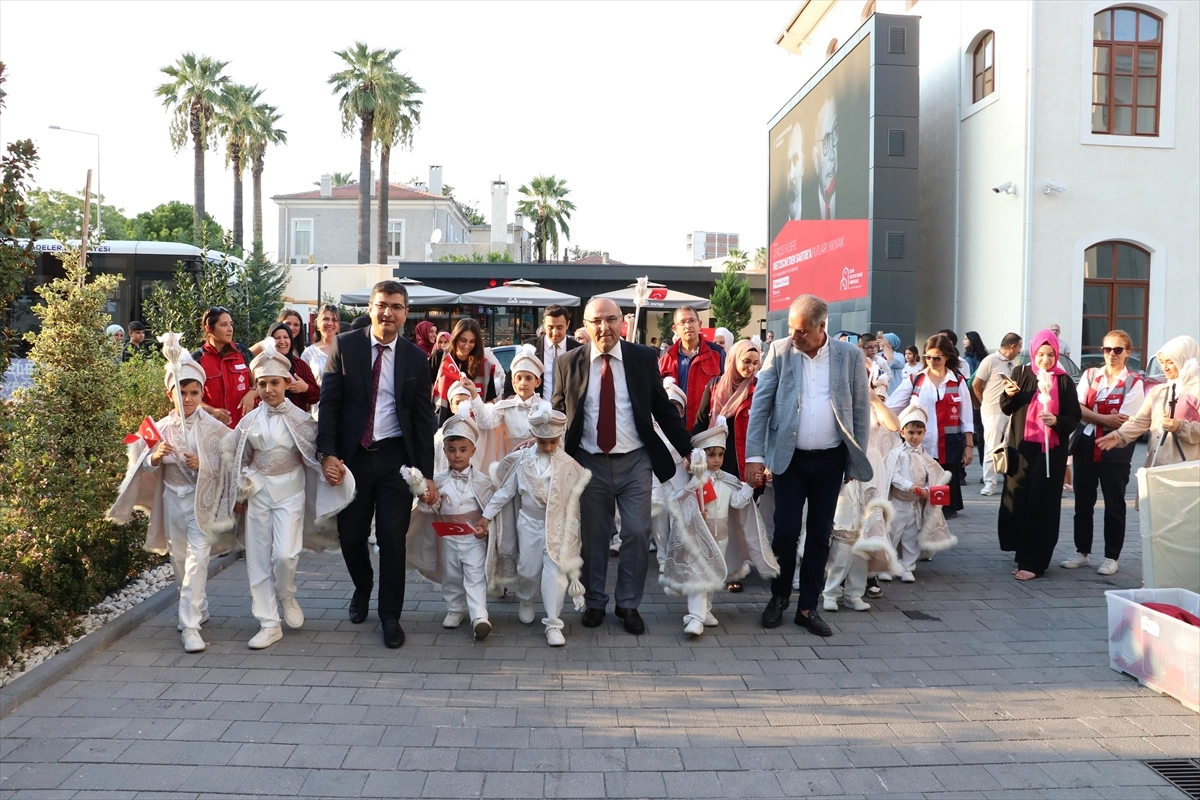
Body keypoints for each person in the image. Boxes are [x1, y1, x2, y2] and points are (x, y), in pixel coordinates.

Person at [552, 297, 693, 635]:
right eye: (596, 321)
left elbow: (661, 408)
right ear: (584, 326)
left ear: (622, 322)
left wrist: (688, 448)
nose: (604, 328)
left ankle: (628, 603)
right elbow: (558, 413)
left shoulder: (643, 358)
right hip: (588, 463)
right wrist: (542, 440)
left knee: (636, 531)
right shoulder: (568, 363)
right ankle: (595, 602)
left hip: (636, 462)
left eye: (611, 319)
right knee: (595, 537)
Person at [316, 280, 437, 649]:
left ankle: (390, 617)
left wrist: (426, 475)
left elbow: (422, 420)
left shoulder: (416, 358)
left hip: (394, 461)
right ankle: (363, 586)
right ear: (371, 309)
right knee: (350, 537)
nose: (388, 313)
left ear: (405, 313)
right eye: (382, 305)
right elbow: (330, 404)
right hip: (352, 460)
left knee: (391, 540)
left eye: (397, 306)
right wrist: (327, 454)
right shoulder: (346, 346)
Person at [744, 294, 872, 638]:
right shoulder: (781, 352)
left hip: (830, 461)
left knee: (819, 535)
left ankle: (807, 606)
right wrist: (754, 457)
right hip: (790, 459)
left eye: (801, 331)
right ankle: (779, 596)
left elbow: (860, 410)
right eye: (790, 328)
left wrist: (854, 459)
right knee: (785, 532)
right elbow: (761, 407)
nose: (794, 336)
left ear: (821, 326)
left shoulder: (848, 356)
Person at [106, 348, 235, 653]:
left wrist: (202, 465)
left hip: (201, 503)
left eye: (194, 392)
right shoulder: (160, 428)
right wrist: (154, 458)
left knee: (197, 560)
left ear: (202, 392)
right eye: (182, 392)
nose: (188, 398)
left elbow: (232, 463)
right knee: (179, 559)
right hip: (172, 501)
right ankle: (197, 606)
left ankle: (189, 625)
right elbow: (139, 462)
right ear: (170, 394)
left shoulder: (216, 429)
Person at [230, 338, 353, 648]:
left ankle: (286, 593)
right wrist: (240, 491)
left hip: (290, 492)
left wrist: (331, 466)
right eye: (262, 384)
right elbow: (237, 460)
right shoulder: (247, 423)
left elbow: (318, 452)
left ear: (287, 382)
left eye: (275, 382)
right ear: (256, 387)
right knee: (257, 557)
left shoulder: (301, 421)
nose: (269, 389)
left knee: (285, 554)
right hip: (258, 493)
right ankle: (268, 622)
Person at [479, 409, 590, 647]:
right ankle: (526, 598)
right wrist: (485, 516)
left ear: (560, 437)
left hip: (557, 527)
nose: (548, 447)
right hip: (529, 523)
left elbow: (575, 501)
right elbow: (505, 492)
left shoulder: (568, 465)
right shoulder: (522, 460)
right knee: (528, 569)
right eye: (542, 441)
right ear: (532, 435)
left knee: (555, 574)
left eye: (553, 441)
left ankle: (553, 623)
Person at [670, 424, 777, 636]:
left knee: (713, 575)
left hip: (721, 537)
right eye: (711, 455)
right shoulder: (695, 482)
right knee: (699, 574)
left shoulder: (728, 480)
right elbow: (680, 505)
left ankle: (705, 610)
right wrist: (695, 513)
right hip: (700, 537)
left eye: (720, 454)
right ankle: (696, 617)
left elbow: (737, 503)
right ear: (701, 456)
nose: (717, 459)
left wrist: (748, 487)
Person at [997, 329, 1081, 580]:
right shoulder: (1021, 373)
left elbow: (1074, 417)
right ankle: (1023, 554)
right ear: (1033, 352)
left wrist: (1055, 419)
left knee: (1041, 505)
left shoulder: (1063, 380)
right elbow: (1007, 408)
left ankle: (1035, 562)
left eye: (1051, 354)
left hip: (1050, 453)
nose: (1045, 360)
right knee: (1018, 501)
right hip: (1021, 448)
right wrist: (1008, 395)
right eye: (1041, 354)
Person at [1061, 330, 1145, 576]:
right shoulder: (1090, 374)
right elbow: (1077, 408)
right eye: (1107, 349)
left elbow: (1123, 420)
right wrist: (1103, 417)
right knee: (1083, 501)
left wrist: (1093, 414)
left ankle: (1111, 556)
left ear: (1128, 352)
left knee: (1114, 503)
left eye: (1118, 350)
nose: (1112, 355)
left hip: (1116, 447)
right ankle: (1082, 551)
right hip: (1086, 443)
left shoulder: (1133, 382)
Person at [406, 415, 495, 640]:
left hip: (473, 539)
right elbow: (434, 507)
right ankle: (455, 608)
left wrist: (485, 526)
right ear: (444, 451)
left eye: (463, 450)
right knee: (452, 575)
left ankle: (479, 616)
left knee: (475, 576)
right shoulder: (439, 480)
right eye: (452, 449)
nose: (457, 455)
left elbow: (490, 508)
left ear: (473, 450)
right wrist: (427, 499)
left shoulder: (483, 481)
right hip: (448, 539)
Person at [691, 339, 761, 592]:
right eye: (746, 362)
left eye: (755, 363)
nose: (751, 368)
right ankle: (711, 564)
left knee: (737, 520)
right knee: (715, 517)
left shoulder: (759, 389)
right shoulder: (714, 386)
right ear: (733, 359)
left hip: (742, 463)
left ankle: (734, 571)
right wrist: (692, 454)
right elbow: (700, 423)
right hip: (715, 462)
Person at [886, 334, 975, 518]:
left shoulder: (957, 381)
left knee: (941, 507)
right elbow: (892, 407)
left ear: (947, 357)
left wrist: (969, 446)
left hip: (949, 448)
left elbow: (966, 417)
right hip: (920, 448)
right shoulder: (915, 380)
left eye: (937, 357)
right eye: (928, 357)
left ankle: (937, 530)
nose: (932, 361)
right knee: (920, 498)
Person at [1098, 334, 1200, 469]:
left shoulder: (1197, 389)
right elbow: (1139, 421)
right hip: (1156, 467)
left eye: (1170, 362)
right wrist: (1120, 436)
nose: (1165, 367)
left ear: (1185, 359)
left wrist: (1180, 426)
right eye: (1162, 362)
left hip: (1187, 470)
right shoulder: (1159, 391)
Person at [883, 401, 956, 582]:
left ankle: (907, 566)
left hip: (915, 504)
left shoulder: (925, 457)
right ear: (902, 432)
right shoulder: (897, 454)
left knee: (911, 537)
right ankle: (887, 566)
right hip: (898, 503)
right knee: (892, 534)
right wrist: (909, 486)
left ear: (924, 433)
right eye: (910, 432)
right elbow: (893, 476)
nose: (914, 437)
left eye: (919, 433)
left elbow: (933, 476)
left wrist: (926, 491)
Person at [972, 333, 1023, 496]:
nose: (1020, 351)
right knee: (992, 447)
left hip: (1010, 411)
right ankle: (989, 483)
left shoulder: (1012, 363)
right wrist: (983, 402)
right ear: (1012, 346)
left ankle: (1009, 478)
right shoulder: (990, 360)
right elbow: (976, 384)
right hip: (993, 411)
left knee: (1009, 447)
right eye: (1019, 347)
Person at [659, 305, 725, 429]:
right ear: (675, 328)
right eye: (682, 322)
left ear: (699, 324)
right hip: (673, 427)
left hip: (706, 427)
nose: (688, 326)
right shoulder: (665, 356)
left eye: (692, 321)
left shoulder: (717, 353)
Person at [193, 306, 255, 427]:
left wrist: (252, 394)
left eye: (230, 324)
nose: (230, 329)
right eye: (224, 325)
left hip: (244, 427)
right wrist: (212, 411)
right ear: (209, 328)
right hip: (212, 428)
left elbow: (260, 381)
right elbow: (188, 398)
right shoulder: (197, 359)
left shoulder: (242, 352)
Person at [504, 305, 580, 401]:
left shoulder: (577, 349)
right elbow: (513, 373)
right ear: (544, 324)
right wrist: (511, 397)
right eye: (550, 327)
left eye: (560, 327)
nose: (555, 332)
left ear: (568, 324)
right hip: (535, 409)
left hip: (567, 412)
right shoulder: (530, 346)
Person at [432, 319, 498, 424]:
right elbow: (425, 388)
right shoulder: (439, 357)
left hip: (473, 427)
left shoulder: (485, 366)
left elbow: (490, 402)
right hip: (441, 423)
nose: (467, 346)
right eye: (463, 340)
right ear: (455, 338)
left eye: (472, 341)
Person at [264, 322, 320, 414]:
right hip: (269, 419)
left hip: (297, 421)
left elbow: (316, 396)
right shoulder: (263, 365)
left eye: (286, 337)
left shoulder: (300, 365)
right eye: (277, 338)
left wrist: (305, 388)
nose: (282, 341)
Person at [301, 304, 341, 414]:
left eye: (334, 320)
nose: (330, 323)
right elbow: (303, 384)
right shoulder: (308, 353)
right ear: (318, 324)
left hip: (342, 410)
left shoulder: (346, 349)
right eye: (326, 319)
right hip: (317, 411)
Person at [812, 96, 838, 219]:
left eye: (835, 133)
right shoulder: (804, 218)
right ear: (815, 160)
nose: (832, 156)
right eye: (825, 142)